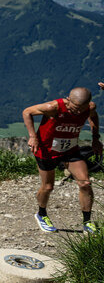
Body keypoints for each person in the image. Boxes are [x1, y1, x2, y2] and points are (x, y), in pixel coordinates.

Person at [22, 87, 102, 233]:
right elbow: (27, 112)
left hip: (70, 150)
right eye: (75, 107)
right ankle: (41, 214)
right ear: (68, 100)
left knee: (85, 183)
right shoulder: (52, 107)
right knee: (48, 187)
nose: (78, 111)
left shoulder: (89, 108)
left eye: (82, 108)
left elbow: (93, 116)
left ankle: (87, 222)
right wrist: (33, 136)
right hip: (46, 151)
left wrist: (95, 138)